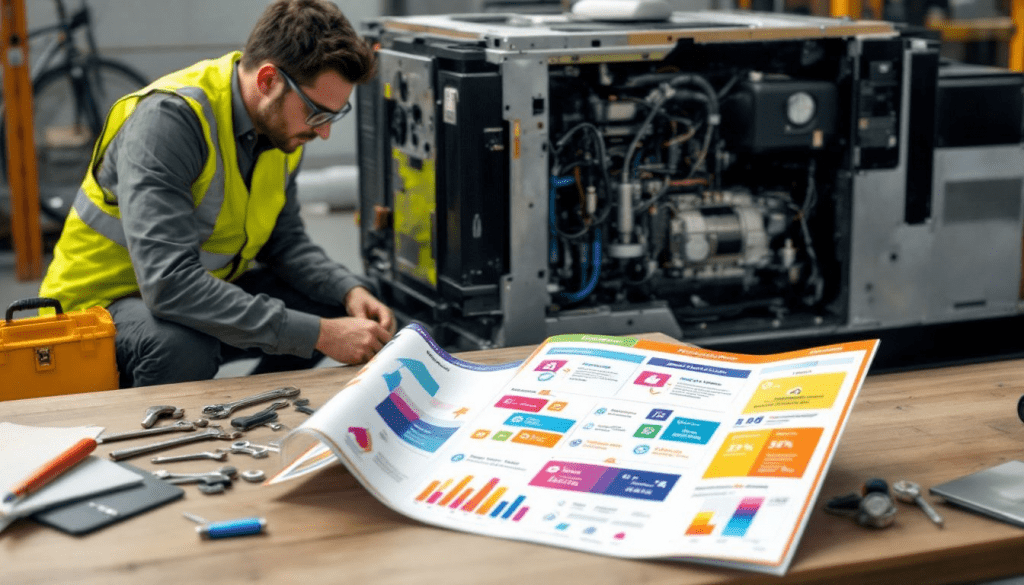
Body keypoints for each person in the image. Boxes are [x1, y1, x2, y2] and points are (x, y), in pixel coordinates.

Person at [38, 0, 395, 388]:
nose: (323, 132)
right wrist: (320, 335)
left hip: (185, 295)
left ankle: (267, 408)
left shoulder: (284, 130)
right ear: (268, 81)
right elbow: (170, 284)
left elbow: (286, 244)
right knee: (181, 348)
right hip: (93, 313)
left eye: (332, 117)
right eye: (317, 113)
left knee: (337, 303)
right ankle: (155, 438)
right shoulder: (168, 122)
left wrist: (348, 288)